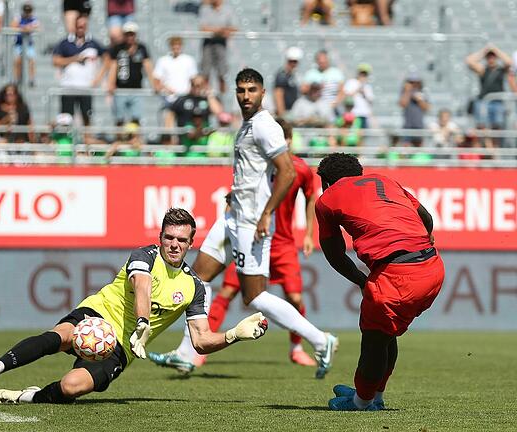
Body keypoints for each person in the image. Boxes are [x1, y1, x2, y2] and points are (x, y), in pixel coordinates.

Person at [0, 208, 269, 404]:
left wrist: (233, 335)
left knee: (72, 387)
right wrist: (143, 323)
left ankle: (26, 396)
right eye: (168, 237)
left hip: (121, 346)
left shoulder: (194, 287)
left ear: (191, 243)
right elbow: (142, 287)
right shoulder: (144, 255)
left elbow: (201, 341)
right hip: (98, 314)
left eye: (181, 240)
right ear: (160, 238)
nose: (174, 245)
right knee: (61, 336)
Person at [153, 69, 338, 379]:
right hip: (234, 215)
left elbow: (287, 172)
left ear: (263, 93)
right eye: (241, 90)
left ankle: (321, 340)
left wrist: (267, 213)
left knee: (254, 296)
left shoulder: (266, 126)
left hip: (252, 222)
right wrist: (235, 193)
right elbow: (257, 173)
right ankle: (187, 353)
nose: (246, 95)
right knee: (197, 279)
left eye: (252, 90)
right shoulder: (248, 126)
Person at [315, 153, 444, 411]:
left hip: (398, 275)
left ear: (327, 182)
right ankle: (374, 394)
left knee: (374, 339)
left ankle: (362, 401)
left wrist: (362, 281)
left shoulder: (326, 199)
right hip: (433, 266)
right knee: (384, 334)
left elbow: (335, 255)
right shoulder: (385, 181)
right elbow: (426, 217)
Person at [52, 15, 106, 144]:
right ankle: (66, 144)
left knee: (86, 118)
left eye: (83, 26)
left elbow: (108, 58)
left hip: (85, 88)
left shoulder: (93, 43)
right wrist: (74, 59)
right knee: (66, 118)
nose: (81, 29)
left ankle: (87, 146)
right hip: (68, 87)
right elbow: (56, 60)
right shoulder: (65, 43)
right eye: (79, 26)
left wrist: (98, 78)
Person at [107, 21, 154, 127]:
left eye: (132, 34)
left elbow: (148, 67)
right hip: (121, 88)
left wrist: (154, 83)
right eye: (127, 34)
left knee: (136, 118)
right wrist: (110, 83)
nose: (130, 37)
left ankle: (134, 140)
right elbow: (114, 66)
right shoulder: (118, 48)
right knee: (119, 118)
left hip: (136, 89)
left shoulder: (142, 48)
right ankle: (120, 139)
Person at [153, 36, 198, 144]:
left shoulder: (188, 60)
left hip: (185, 99)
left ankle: (185, 147)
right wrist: (167, 89)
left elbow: (194, 79)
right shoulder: (163, 61)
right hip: (170, 100)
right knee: (169, 125)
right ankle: (172, 148)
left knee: (186, 126)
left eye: (178, 45)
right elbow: (156, 82)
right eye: (174, 45)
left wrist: (193, 90)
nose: (176, 47)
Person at [466, 44, 512, 148]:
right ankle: (489, 148)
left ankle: (494, 151)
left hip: (497, 102)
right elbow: (469, 61)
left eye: (493, 56)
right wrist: (485, 50)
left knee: (497, 128)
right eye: (489, 57)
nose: (491, 59)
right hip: (484, 102)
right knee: (482, 127)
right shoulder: (483, 70)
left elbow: (509, 62)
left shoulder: (500, 70)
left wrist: (496, 50)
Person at [198, 0, 237, 94]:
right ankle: (205, 95)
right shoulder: (205, 9)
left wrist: (216, 30)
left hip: (221, 44)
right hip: (208, 43)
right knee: (205, 71)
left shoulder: (228, 10)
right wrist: (220, 30)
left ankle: (222, 97)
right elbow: (203, 28)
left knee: (222, 73)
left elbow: (234, 27)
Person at [11, 2, 40, 88]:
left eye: (29, 11)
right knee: (17, 61)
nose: (27, 13)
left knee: (31, 61)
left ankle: (32, 79)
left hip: (28, 44)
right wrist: (24, 28)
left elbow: (38, 27)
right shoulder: (18, 17)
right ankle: (17, 79)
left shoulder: (34, 19)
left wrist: (25, 27)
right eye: (26, 10)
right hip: (19, 44)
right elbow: (13, 26)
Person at [399, 72, 429, 147]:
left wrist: (419, 100)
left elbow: (427, 108)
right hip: (407, 126)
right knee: (406, 148)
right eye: (411, 82)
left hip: (419, 126)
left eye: (415, 82)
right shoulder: (404, 92)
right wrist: (407, 92)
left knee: (419, 149)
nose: (413, 84)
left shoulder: (423, 92)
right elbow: (402, 104)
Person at [341, 63, 374, 128]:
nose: (363, 76)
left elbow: (371, 100)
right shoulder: (351, 82)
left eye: (365, 74)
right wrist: (357, 90)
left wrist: (364, 93)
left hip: (364, 114)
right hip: (353, 114)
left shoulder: (368, 86)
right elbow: (346, 96)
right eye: (362, 73)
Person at [274, 47, 303, 118]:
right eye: (291, 61)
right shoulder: (282, 74)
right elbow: (278, 94)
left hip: (294, 111)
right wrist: (282, 115)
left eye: (295, 61)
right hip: (286, 111)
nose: (293, 64)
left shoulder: (294, 75)